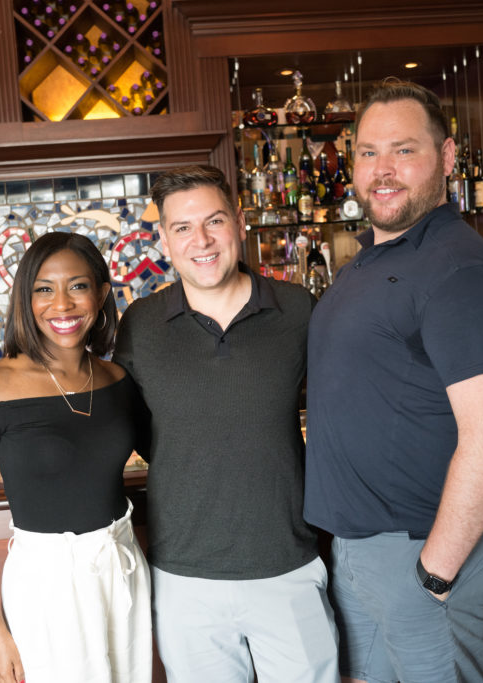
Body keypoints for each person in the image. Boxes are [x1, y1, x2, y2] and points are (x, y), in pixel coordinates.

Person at [304, 80, 483, 683]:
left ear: (448, 158)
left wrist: (434, 574)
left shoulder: (460, 269)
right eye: (368, 153)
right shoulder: (383, 254)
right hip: (367, 545)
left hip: (423, 550)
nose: (383, 170)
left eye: (404, 150)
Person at [113, 165, 339, 683]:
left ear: (240, 222)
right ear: (165, 239)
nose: (202, 241)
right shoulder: (141, 325)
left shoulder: (298, 310)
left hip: (289, 564)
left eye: (214, 221)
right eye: (183, 228)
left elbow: (342, 411)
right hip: (184, 576)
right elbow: (139, 430)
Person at [0, 231, 151, 683]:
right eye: (44, 289)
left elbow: (172, 450)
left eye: (77, 286)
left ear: (100, 295)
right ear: (26, 298)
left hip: (122, 570)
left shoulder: (117, 379)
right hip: (45, 585)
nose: (62, 305)